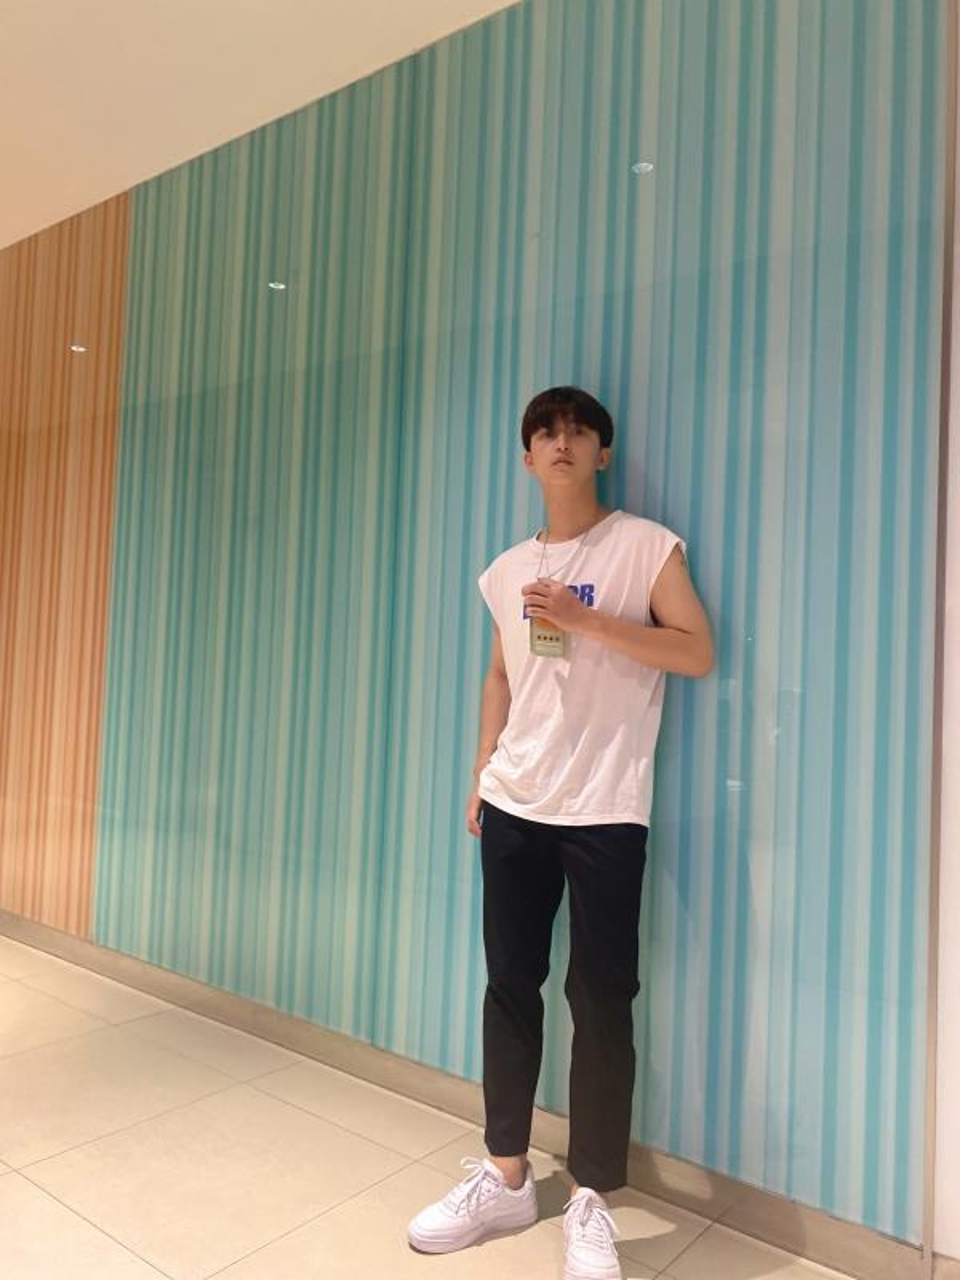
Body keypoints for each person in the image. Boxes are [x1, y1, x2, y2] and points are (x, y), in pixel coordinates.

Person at [408, 386, 714, 1280]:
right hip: (515, 802)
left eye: (580, 432)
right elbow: (500, 675)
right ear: (528, 457)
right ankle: (506, 1175)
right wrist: (481, 769)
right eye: (546, 433)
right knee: (510, 985)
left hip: (607, 808)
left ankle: (591, 1199)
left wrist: (588, 622)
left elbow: (696, 652)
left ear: (602, 453)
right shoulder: (506, 569)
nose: (563, 442)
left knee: (602, 997)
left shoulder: (646, 546)